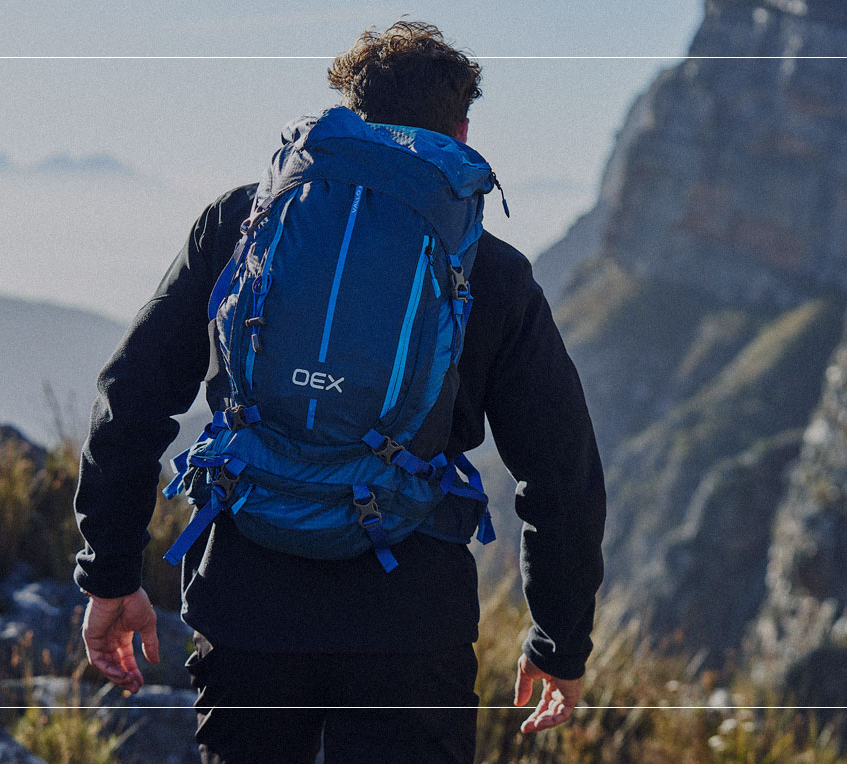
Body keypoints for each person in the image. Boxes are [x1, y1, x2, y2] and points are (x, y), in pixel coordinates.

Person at [71, 20, 606, 764]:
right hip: (409, 625)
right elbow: (560, 474)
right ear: (460, 130)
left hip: (247, 604)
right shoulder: (493, 271)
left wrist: (110, 571)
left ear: (348, 114)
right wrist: (558, 640)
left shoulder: (242, 223)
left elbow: (129, 397)